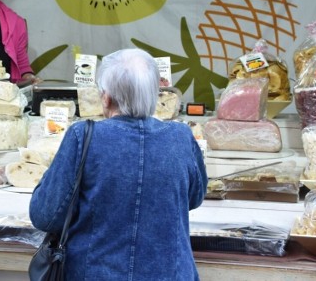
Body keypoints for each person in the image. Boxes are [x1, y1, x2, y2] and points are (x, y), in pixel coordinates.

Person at [29, 48, 208, 280]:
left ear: (106, 97)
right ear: (155, 94)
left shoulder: (83, 136)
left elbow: (46, 215)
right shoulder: (181, 137)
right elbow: (194, 198)